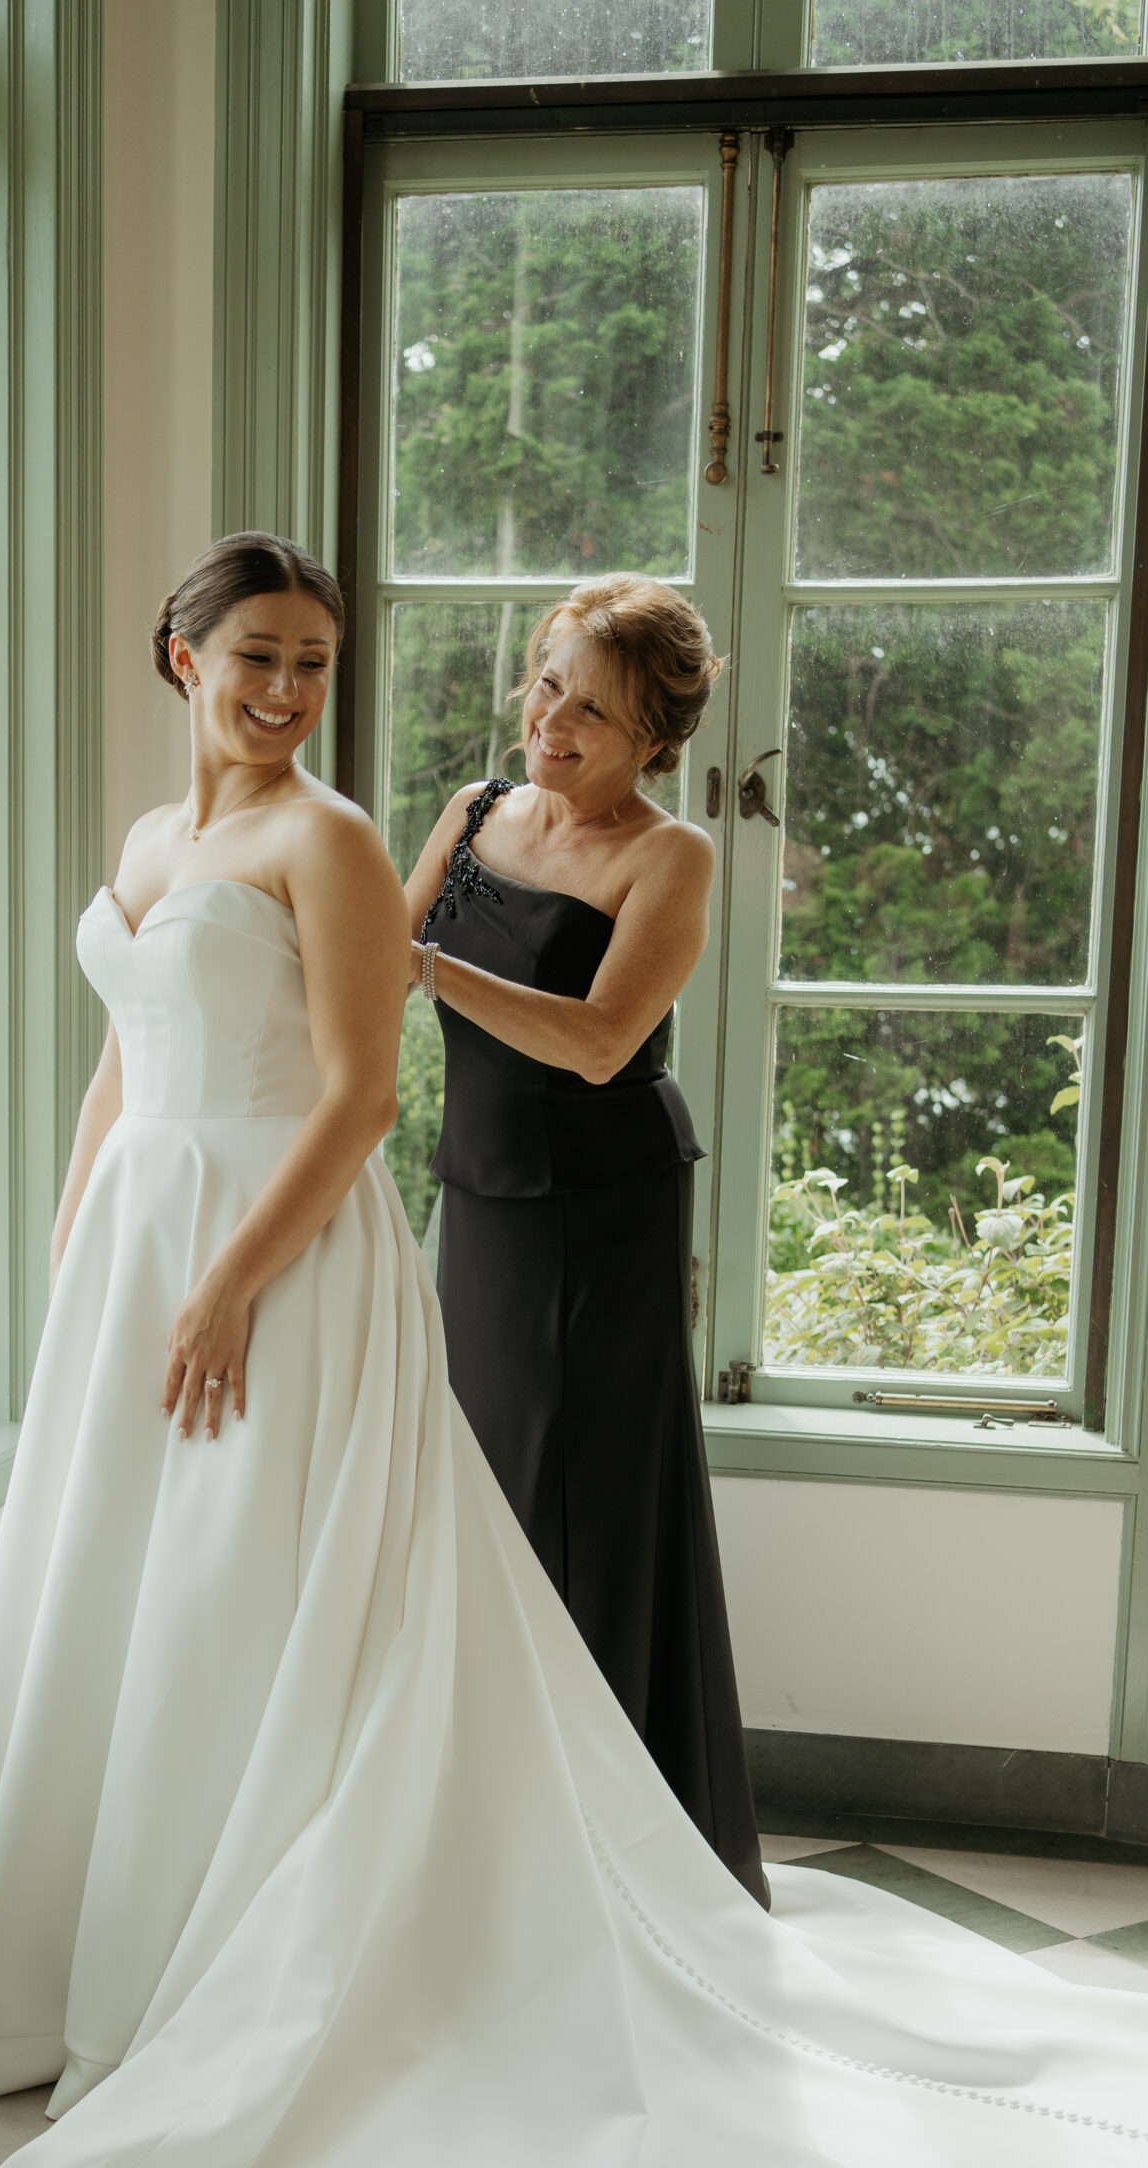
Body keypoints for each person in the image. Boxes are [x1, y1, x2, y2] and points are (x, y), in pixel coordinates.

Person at [0, 531, 1148, 2168]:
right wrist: (78, 1249)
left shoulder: (385, 847)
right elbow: (128, 1063)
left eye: (315, 662)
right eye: (257, 658)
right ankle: (105, 1936)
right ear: (178, 653)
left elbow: (384, 1083)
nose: (288, 690)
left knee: (333, 1578)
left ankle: (316, 1940)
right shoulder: (174, 842)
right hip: (204, 1241)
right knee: (154, 1595)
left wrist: (221, 1275)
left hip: (403, 1230)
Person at [406, 575, 764, 1904]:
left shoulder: (673, 856)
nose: (552, 721)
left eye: (594, 712)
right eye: (548, 682)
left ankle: (599, 1848)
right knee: (483, 1490)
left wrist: (433, 970)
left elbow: (608, 1041)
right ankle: (487, 1816)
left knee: (581, 1502)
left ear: (654, 742)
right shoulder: (473, 813)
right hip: (480, 1195)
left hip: (600, 1214)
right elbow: (374, 956)